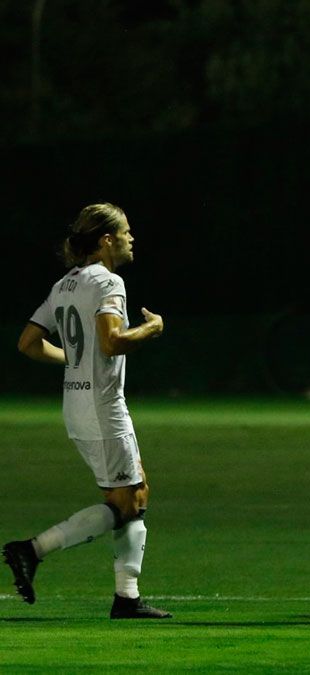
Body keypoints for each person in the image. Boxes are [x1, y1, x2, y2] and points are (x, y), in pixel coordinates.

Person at [5, 203, 171, 619]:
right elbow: (112, 341)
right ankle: (33, 550)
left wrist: (74, 361)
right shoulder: (108, 282)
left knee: (135, 492)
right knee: (127, 502)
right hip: (102, 406)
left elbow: (27, 342)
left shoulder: (64, 285)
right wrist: (152, 329)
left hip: (76, 404)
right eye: (127, 232)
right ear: (106, 240)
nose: (133, 238)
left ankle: (127, 597)